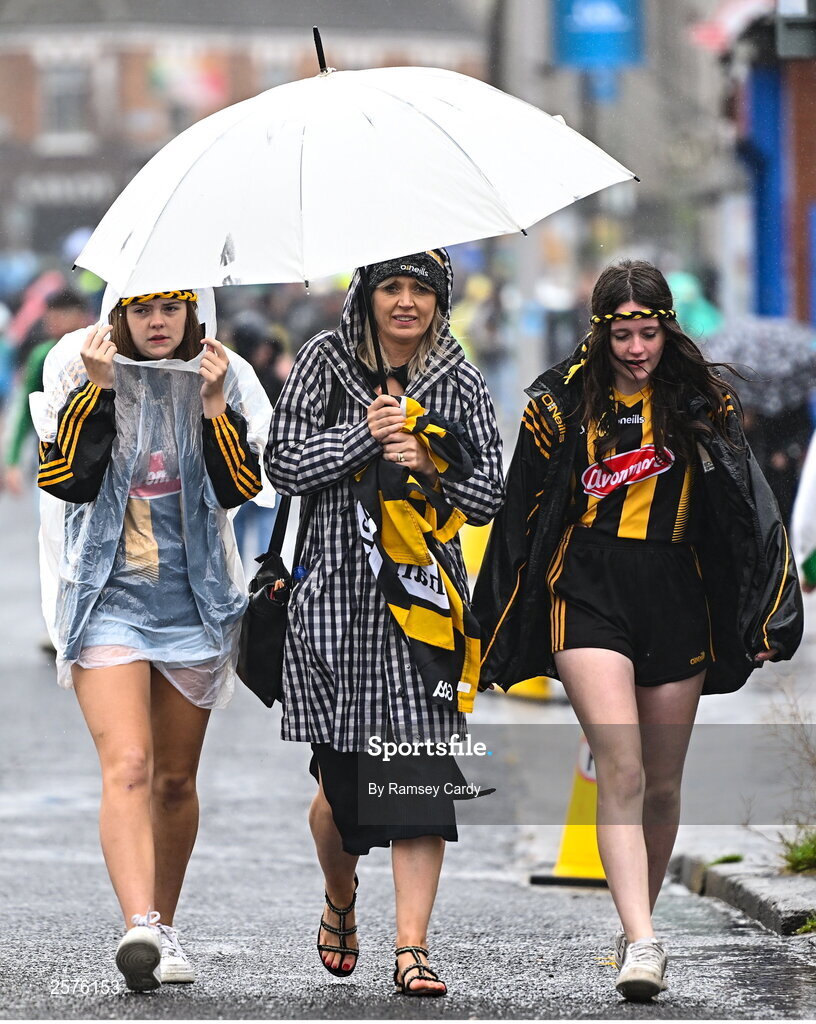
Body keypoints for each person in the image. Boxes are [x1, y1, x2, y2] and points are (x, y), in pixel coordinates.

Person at [474, 259, 803, 1002]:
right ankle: (647, 942)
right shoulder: (557, 406)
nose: (635, 348)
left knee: (660, 781)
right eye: (621, 333)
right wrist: (490, 620)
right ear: (599, 332)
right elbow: (518, 512)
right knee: (618, 766)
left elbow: (751, 513)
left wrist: (770, 609)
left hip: (675, 591)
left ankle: (634, 929)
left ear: (666, 329)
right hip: (586, 588)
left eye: (647, 332)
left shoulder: (700, 401)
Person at [264, 249, 503, 996]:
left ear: (441, 299)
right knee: (345, 795)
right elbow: (281, 462)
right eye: (391, 288)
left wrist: (431, 462)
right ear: (367, 296)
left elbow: (491, 490)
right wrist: (361, 438)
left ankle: (412, 948)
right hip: (337, 606)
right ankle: (341, 898)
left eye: (420, 291)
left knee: (420, 778)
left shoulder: (458, 375)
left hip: (425, 612)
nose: (406, 303)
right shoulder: (323, 362)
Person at [31, 287, 273, 992]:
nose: (158, 322)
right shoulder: (77, 367)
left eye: (172, 308)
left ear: (192, 314)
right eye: (143, 310)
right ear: (121, 317)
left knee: (173, 780)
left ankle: (163, 928)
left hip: (193, 606)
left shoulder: (220, 372)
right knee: (129, 765)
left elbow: (241, 489)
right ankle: (138, 921)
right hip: (107, 601)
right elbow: (65, 480)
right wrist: (99, 394)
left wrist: (215, 406)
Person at [4, 289, 89, 496]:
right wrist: (12, 461)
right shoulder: (42, 355)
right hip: (50, 453)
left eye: (62, 313)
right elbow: (26, 407)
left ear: (81, 315)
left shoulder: (92, 349)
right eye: (50, 313)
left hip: (89, 450)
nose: (54, 320)